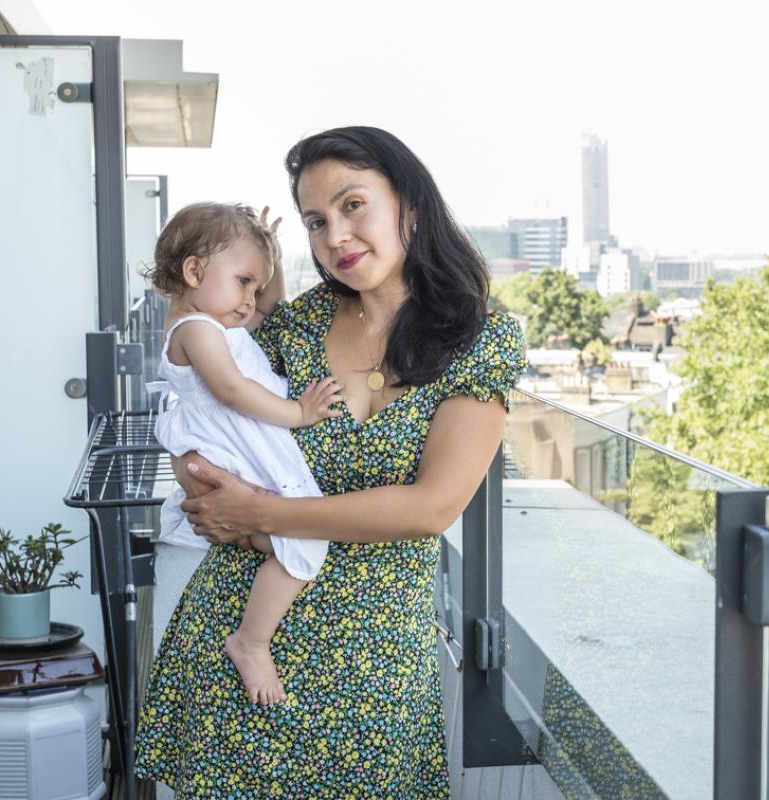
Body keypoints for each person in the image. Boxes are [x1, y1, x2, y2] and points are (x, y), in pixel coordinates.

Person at [135, 126, 527, 798]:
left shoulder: (478, 339)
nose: (335, 237)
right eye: (316, 221)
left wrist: (260, 514)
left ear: (410, 205)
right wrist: (225, 506)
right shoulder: (291, 329)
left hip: (373, 675)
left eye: (352, 206)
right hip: (242, 653)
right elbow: (201, 453)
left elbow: (430, 508)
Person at [143, 202, 345, 705]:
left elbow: (266, 317)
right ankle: (252, 642)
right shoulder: (196, 330)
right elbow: (232, 391)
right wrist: (299, 412)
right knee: (306, 544)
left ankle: (254, 610)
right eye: (243, 282)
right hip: (237, 444)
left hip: (238, 444)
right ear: (194, 270)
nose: (251, 300)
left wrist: (267, 258)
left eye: (254, 286)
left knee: (291, 541)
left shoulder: (214, 323)